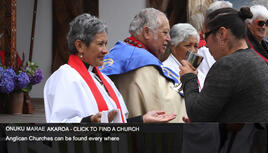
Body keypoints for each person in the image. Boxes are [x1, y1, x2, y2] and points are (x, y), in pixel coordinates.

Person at [44, 13, 176, 123]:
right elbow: (60, 127)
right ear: (80, 46)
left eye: (106, 44)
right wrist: (89, 121)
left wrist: (143, 120)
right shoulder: (65, 77)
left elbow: (117, 125)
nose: (105, 51)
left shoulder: (103, 79)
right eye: (100, 44)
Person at [179, 7, 268, 122]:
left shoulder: (227, 66)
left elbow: (197, 114)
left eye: (205, 36)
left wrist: (189, 77)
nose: (205, 45)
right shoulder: (257, 60)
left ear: (221, 34)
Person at [100, 8, 187, 122]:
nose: (169, 39)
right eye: (165, 32)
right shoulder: (145, 65)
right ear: (146, 32)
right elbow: (165, 105)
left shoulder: (115, 53)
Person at [163, 23, 207, 90]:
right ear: (173, 48)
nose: (193, 50)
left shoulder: (200, 74)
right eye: (188, 45)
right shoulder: (165, 71)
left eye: (195, 46)